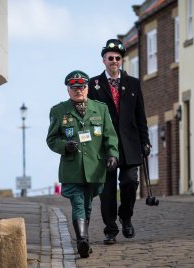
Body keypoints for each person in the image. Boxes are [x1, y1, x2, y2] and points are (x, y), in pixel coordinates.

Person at [46, 70, 119, 258]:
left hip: (95, 167)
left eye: (82, 87)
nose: (78, 90)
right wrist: (64, 146)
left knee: (87, 205)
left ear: (87, 88)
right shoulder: (59, 111)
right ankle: (82, 240)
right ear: (68, 90)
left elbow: (109, 136)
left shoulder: (100, 109)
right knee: (78, 202)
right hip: (73, 168)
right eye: (74, 87)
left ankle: (83, 238)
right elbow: (52, 139)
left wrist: (112, 154)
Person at [88, 39, 151, 245]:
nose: (114, 61)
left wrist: (146, 141)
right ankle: (110, 229)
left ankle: (126, 216)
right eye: (110, 58)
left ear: (121, 60)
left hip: (130, 144)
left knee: (130, 182)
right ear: (103, 60)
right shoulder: (94, 84)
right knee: (107, 190)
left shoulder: (133, 83)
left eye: (117, 58)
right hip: (104, 146)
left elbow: (140, 115)